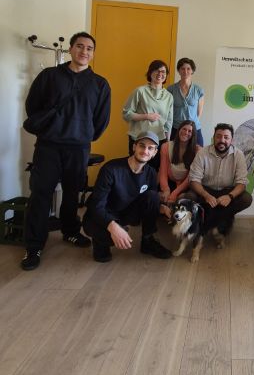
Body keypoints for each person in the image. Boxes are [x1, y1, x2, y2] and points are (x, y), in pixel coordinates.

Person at [21, 31, 111, 271]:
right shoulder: (49, 76)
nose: (84, 51)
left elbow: (101, 120)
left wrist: (83, 134)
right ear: (71, 49)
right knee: (40, 194)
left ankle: (70, 231)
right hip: (48, 145)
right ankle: (34, 246)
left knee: (72, 193)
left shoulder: (100, 84)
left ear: (93, 54)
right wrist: (51, 129)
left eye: (89, 48)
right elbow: (33, 106)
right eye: (80, 46)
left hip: (78, 148)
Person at [83, 131, 171, 262]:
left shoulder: (151, 173)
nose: (145, 151)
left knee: (153, 196)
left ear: (154, 153)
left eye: (150, 148)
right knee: (106, 241)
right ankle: (100, 243)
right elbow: (96, 206)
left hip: (126, 212)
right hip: (101, 214)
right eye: (142, 146)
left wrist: (163, 208)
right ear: (134, 147)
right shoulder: (111, 169)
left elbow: (149, 202)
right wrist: (113, 227)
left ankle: (148, 241)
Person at [189, 123, 252, 245]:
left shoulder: (238, 154)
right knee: (188, 197)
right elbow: (193, 180)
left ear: (231, 140)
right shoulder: (202, 153)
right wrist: (206, 195)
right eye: (218, 136)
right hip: (206, 190)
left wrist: (230, 196)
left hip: (227, 191)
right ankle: (198, 226)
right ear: (213, 138)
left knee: (246, 198)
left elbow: (242, 182)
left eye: (226, 137)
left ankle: (221, 223)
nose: (222, 140)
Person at [122, 60, 173, 170]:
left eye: (163, 72)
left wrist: (167, 143)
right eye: (156, 70)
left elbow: (168, 122)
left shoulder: (169, 96)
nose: (160, 74)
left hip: (158, 141)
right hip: (138, 138)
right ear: (150, 73)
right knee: (136, 169)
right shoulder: (140, 91)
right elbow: (126, 113)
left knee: (154, 170)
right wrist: (146, 116)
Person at [158, 119, 201, 213]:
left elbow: (190, 177)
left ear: (193, 135)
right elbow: (163, 172)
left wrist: (174, 194)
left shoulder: (197, 150)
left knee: (188, 197)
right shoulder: (166, 146)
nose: (186, 132)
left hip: (186, 185)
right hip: (170, 183)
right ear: (179, 130)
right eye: (184, 129)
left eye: (190, 131)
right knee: (159, 196)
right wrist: (166, 190)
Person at [167, 57, 205, 146]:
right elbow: (168, 111)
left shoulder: (199, 90)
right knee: (174, 152)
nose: (185, 71)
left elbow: (199, 113)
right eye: (182, 69)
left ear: (192, 71)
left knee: (198, 151)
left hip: (194, 129)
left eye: (188, 69)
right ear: (179, 71)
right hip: (176, 128)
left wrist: (191, 125)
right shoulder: (171, 89)